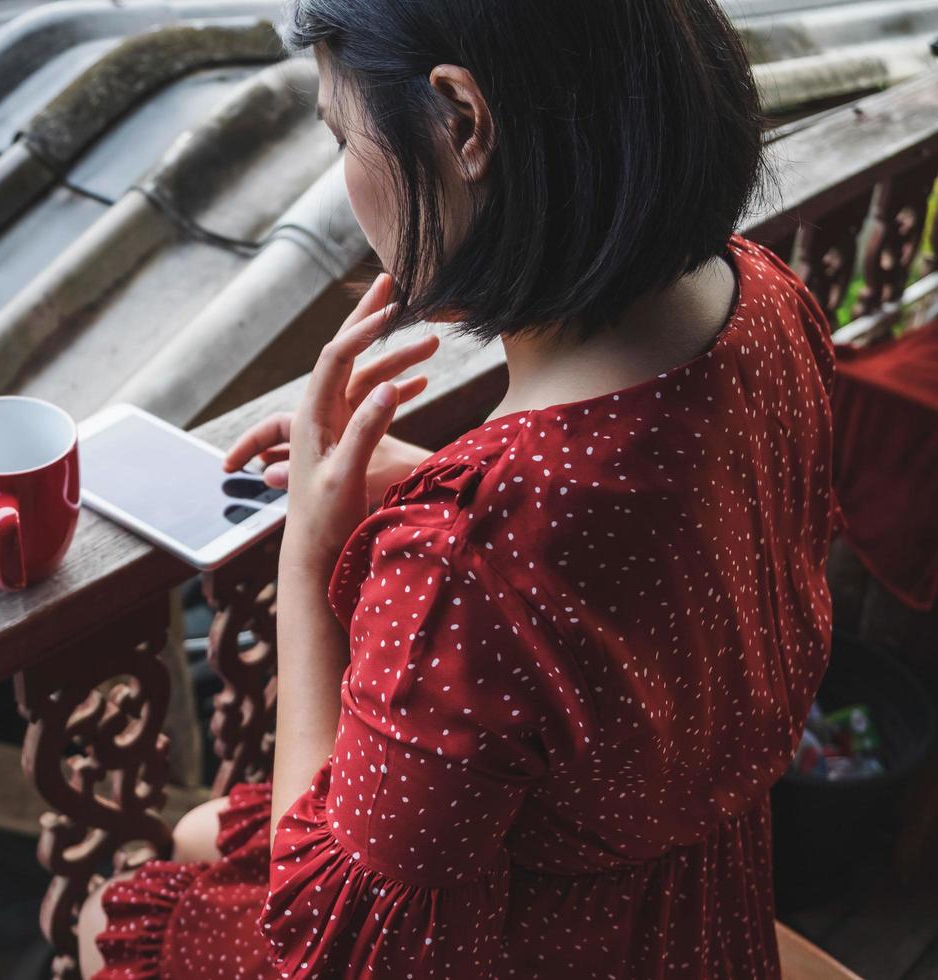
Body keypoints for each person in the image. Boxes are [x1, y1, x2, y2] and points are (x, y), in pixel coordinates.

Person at [78, 0, 844, 975]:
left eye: (343, 134)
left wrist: (310, 551)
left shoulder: (480, 552)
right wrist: (438, 481)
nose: (346, 186)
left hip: (539, 935)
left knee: (111, 914)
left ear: (463, 122)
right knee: (197, 835)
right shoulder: (767, 306)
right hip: (682, 878)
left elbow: (328, 930)